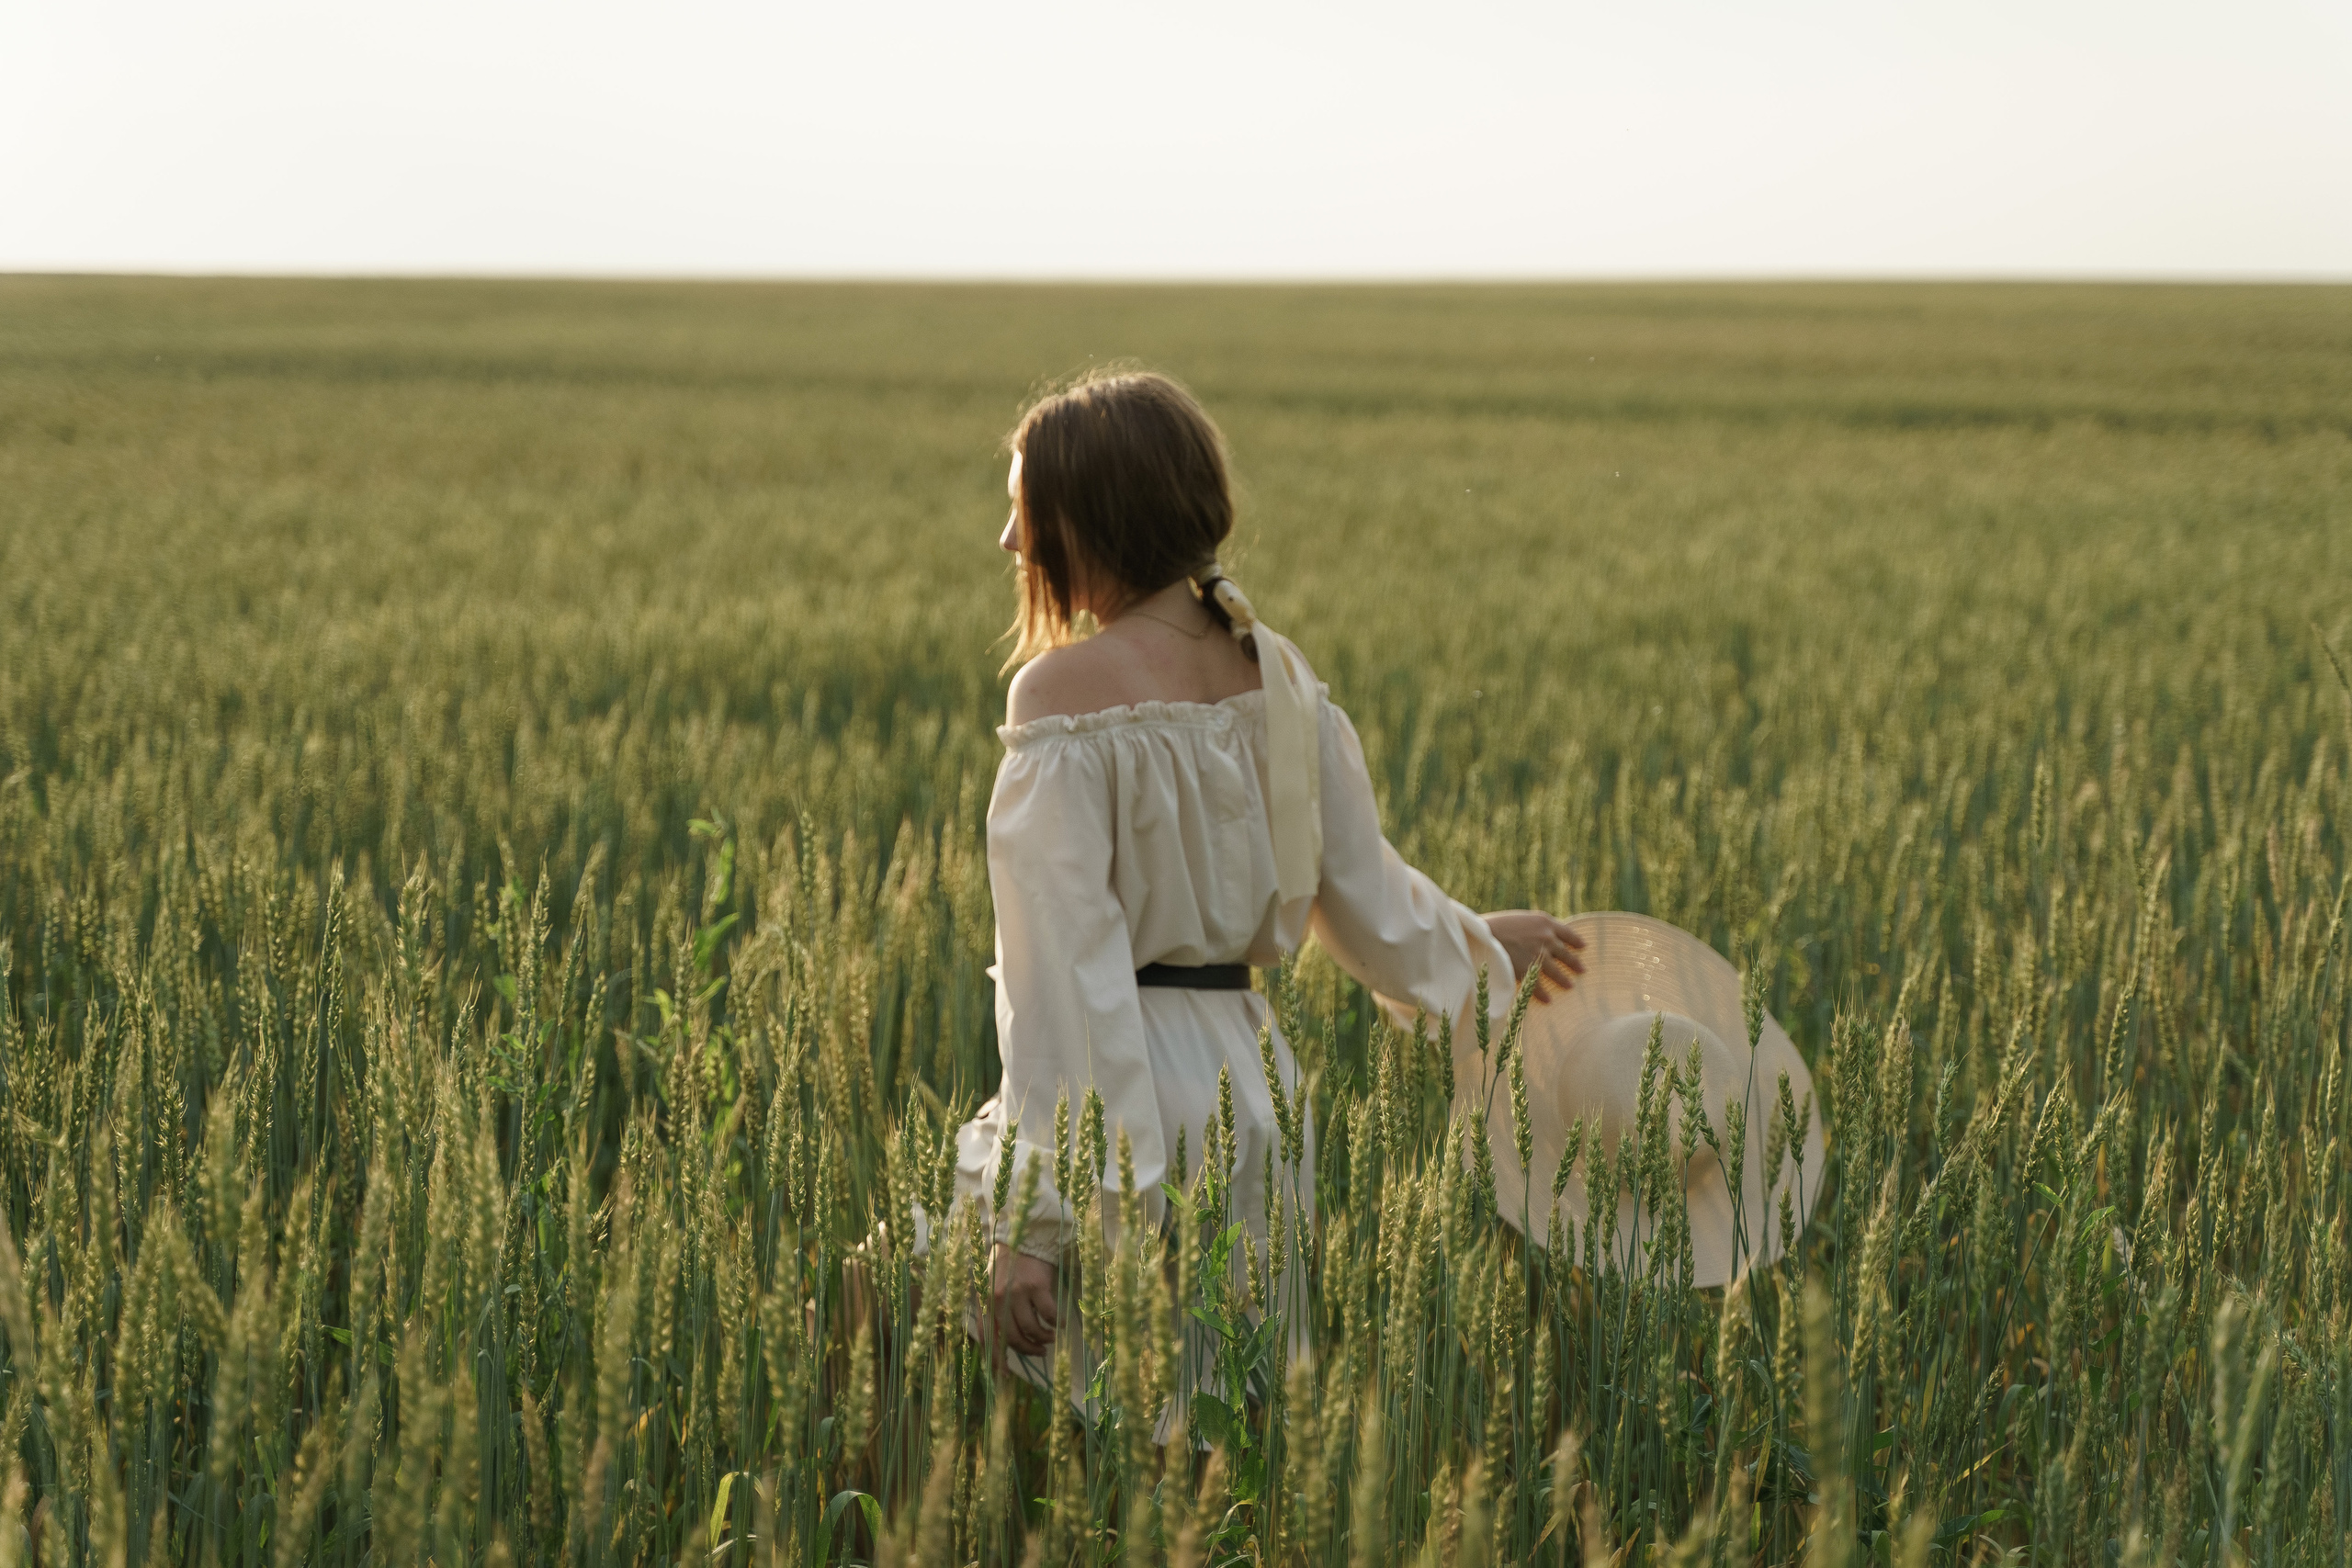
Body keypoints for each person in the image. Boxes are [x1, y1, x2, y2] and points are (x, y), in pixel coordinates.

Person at [955, 367, 1585, 1369]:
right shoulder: (1281, 677)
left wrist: (1033, 1220)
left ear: (1093, 516)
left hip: (1121, 1103)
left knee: (927, 1347)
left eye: (1025, 511)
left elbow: (1060, 977)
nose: (1008, 541)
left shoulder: (1057, 696)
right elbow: (1364, 899)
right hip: (1254, 1101)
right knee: (1217, 1412)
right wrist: (1475, 945)